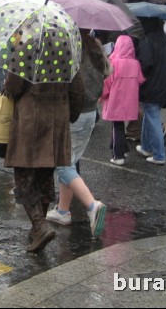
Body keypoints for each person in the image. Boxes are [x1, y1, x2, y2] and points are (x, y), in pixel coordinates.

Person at [4, 66, 85, 252]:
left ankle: (40, 226)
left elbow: (14, 87)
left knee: (24, 177)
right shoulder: (66, 51)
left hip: (30, 118)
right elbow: (78, 91)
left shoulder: (27, 46)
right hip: (57, 120)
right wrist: (68, 115)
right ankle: (36, 229)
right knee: (45, 175)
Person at [47, 32, 110, 236]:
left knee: (63, 164)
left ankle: (92, 205)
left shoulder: (67, 48)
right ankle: (63, 211)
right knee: (71, 162)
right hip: (91, 113)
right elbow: (107, 72)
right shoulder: (95, 45)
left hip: (71, 113)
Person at [135, 17, 166, 166]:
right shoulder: (163, 37)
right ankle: (146, 147)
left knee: (153, 117)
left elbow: (145, 63)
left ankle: (159, 154)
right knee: (149, 115)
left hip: (151, 85)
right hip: (164, 83)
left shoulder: (147, 39)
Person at [101, 34, 145, 166]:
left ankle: (118, 155)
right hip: (130, 101)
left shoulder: (113, 62)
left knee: (117, 126)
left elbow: (107, 84)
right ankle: (122, 148)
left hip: (116, 100)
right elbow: (141, 80)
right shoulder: (135, 63)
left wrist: (101, 95)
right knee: (119, 125)